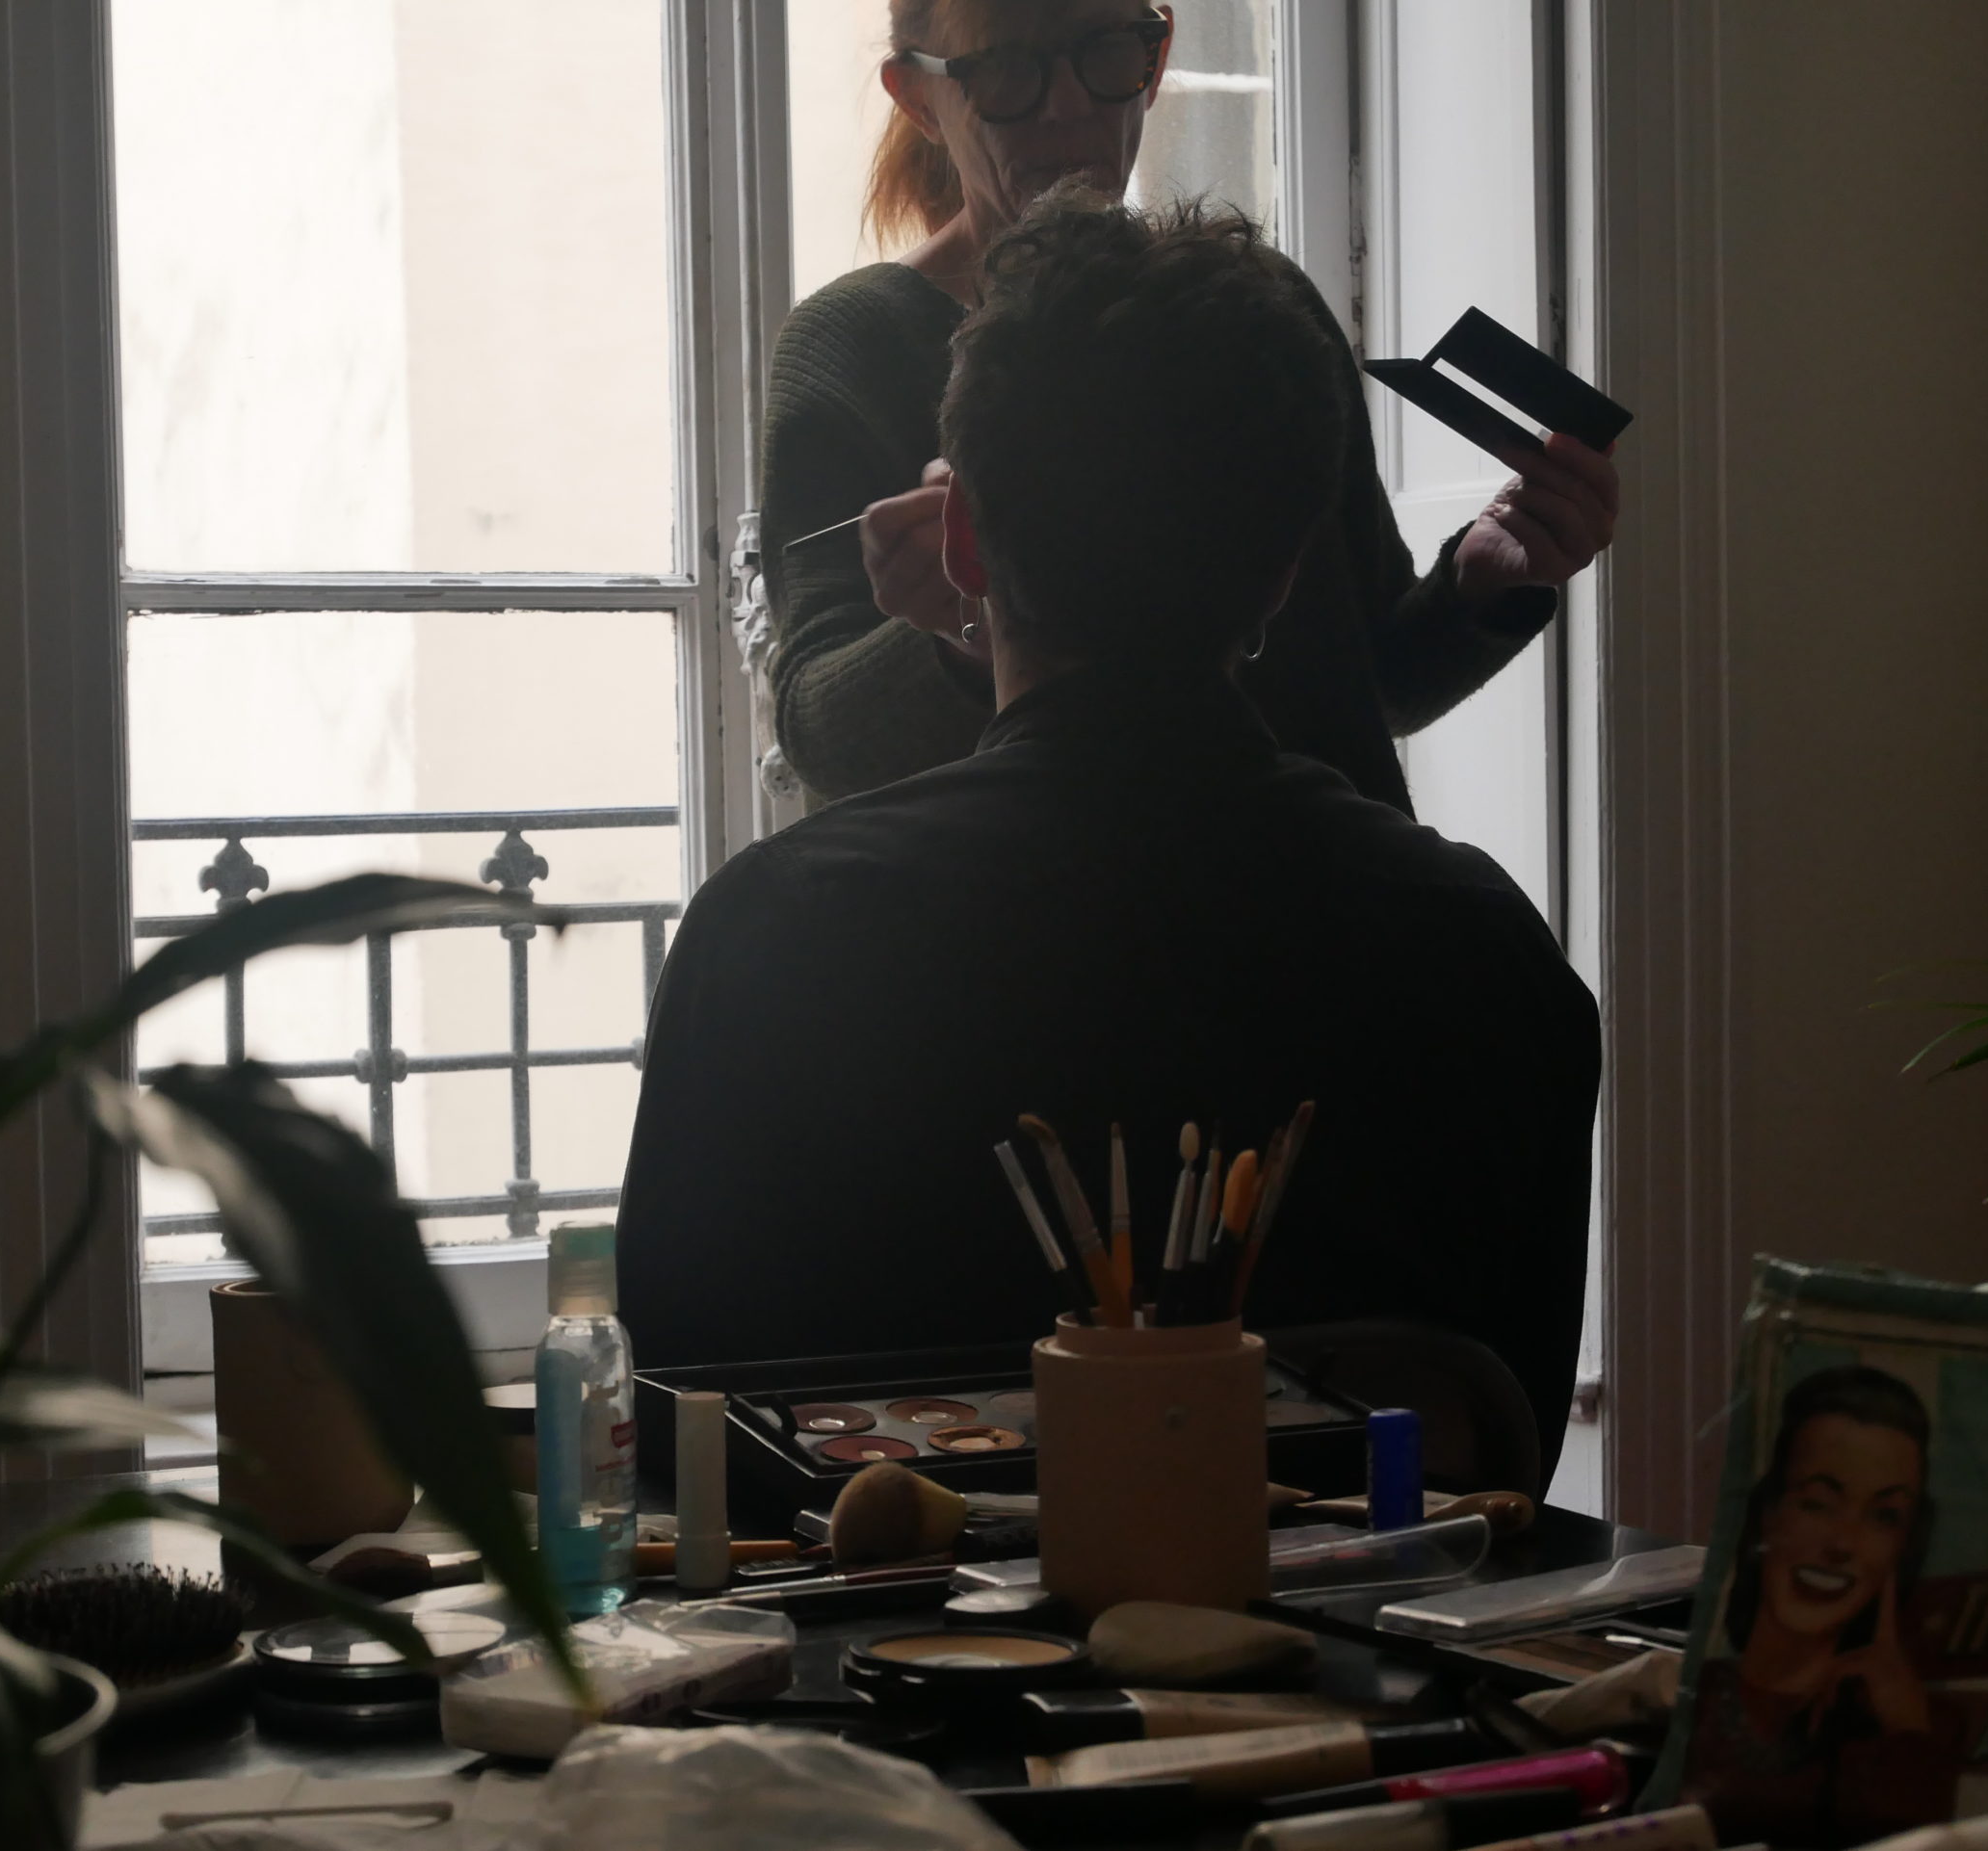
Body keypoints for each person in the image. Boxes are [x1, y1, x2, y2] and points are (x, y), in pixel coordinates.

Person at [617, 193, 1601, 1473]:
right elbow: (1499, 1462)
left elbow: (684, 1453)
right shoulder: (1492, 965)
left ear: (963, 538)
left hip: (888, 1662)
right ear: (1295, 562)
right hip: (1379, 1660)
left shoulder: (771, 946)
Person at [761, 0, 1620, 812]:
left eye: (1104, 53)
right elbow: (821, 736)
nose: (1067, 106)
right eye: (1009, 70)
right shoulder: (857, 346)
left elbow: (1370, 684)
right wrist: (955, 638)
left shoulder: (1254, 310)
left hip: (1324, 924)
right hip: (1030, 945)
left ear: (1156, 53)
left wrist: (1475, 588)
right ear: (917, 96)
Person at [1682, 1367, 1963, 1847]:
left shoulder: (1906, 1732)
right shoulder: (1690, 1692)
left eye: (1883, 1516)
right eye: (1816, 1503)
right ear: (1767, 1514)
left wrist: (1906, 1732)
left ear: (1904, 1548)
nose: (1841, 1544)